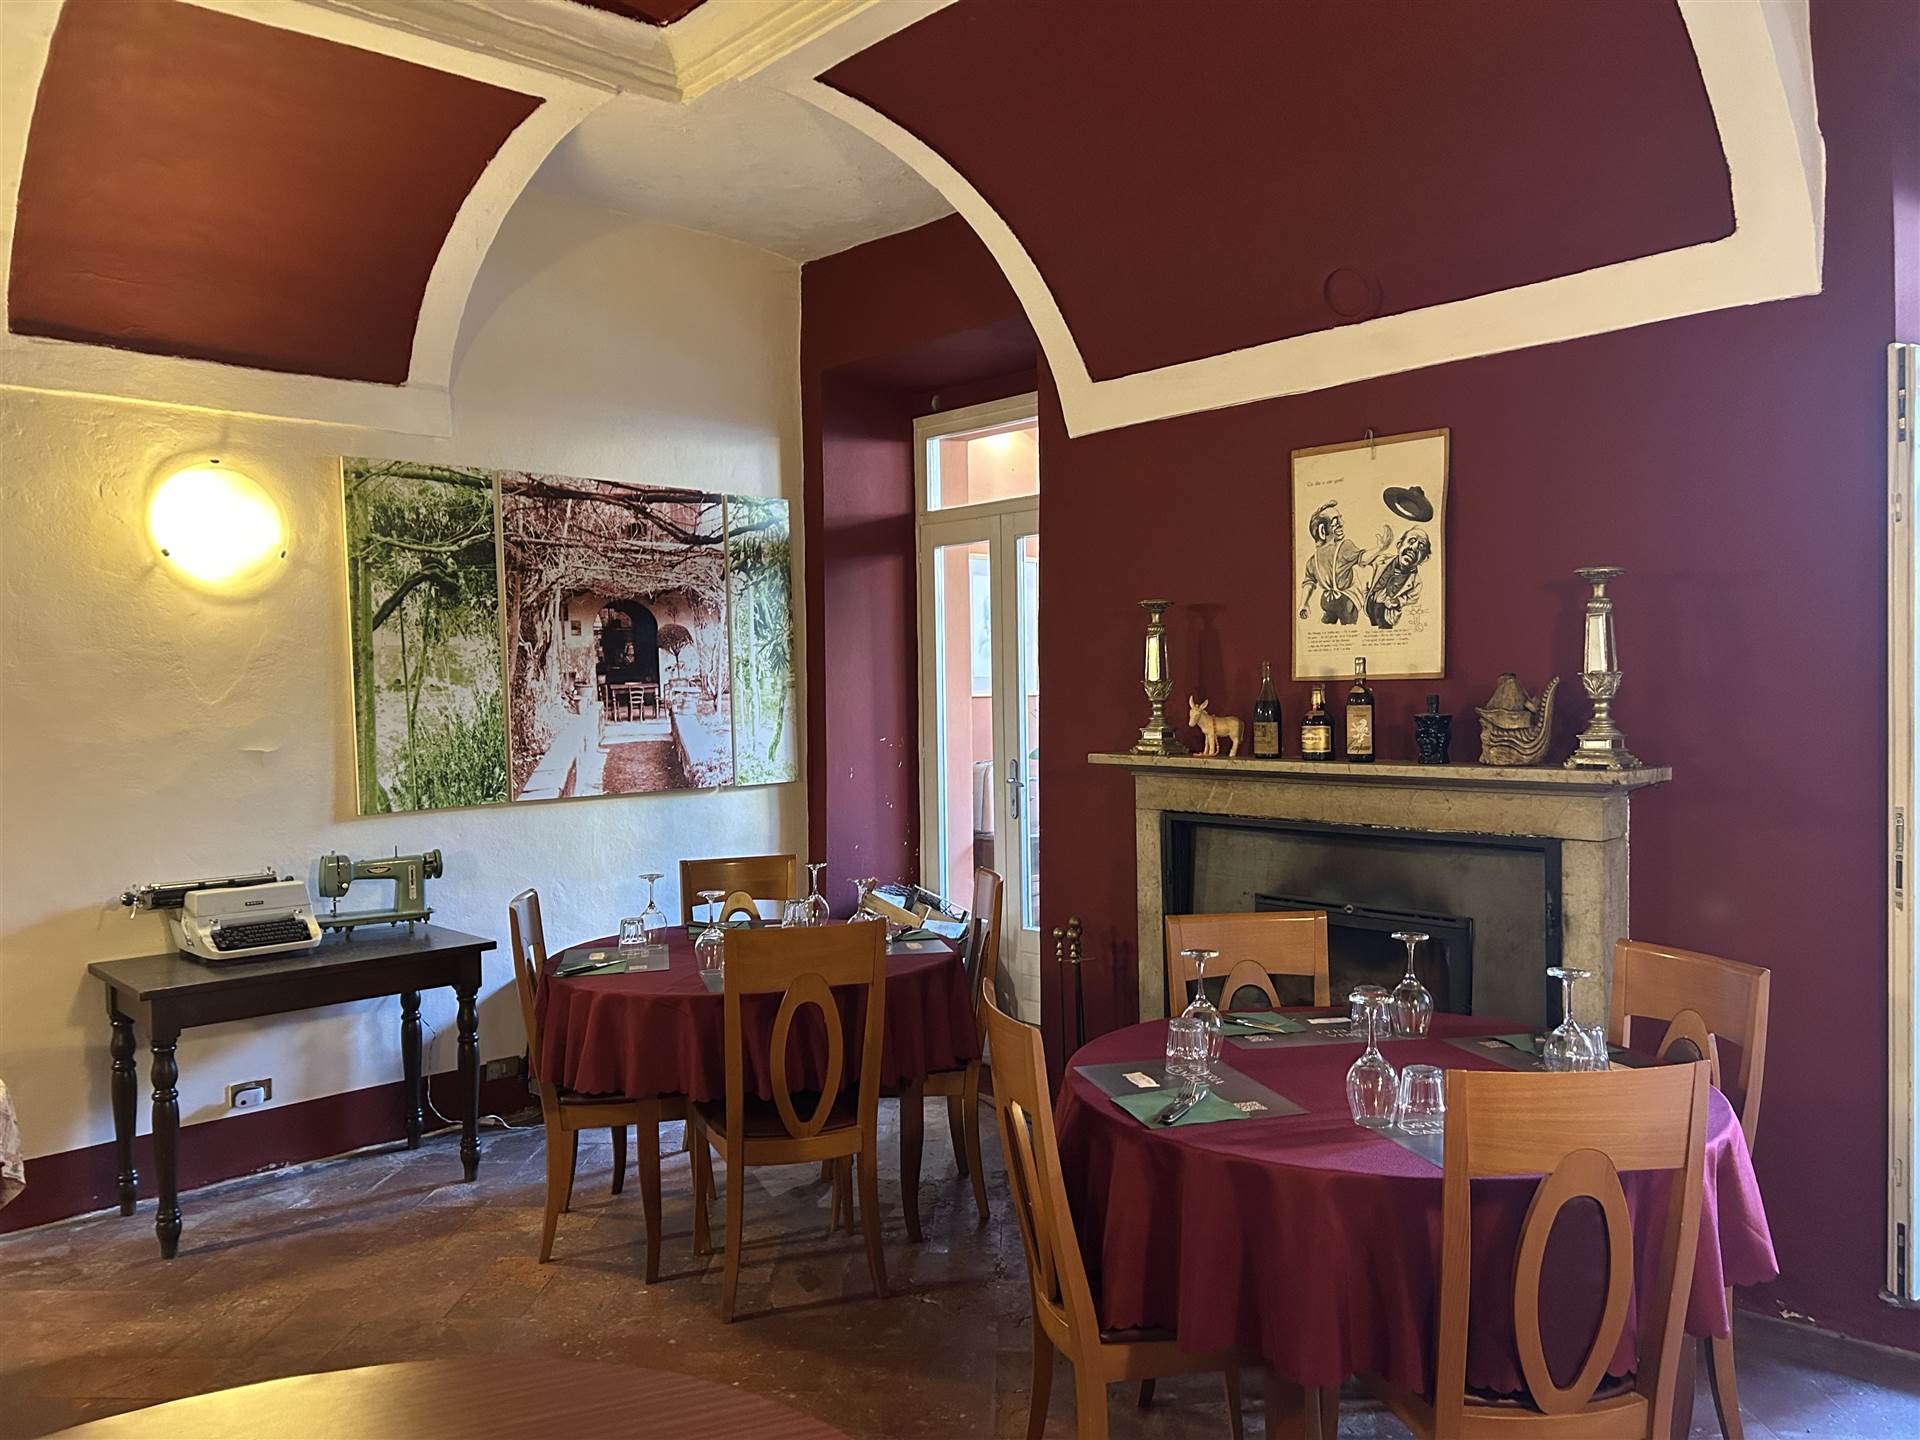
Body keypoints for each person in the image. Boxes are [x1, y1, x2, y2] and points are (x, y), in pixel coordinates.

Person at [1298, 502, 1391, 625]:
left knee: (1328, 626)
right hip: (1346, 602)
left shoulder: (1312, 561)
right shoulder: (1344, 547)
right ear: (1322, 530)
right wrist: (1380, 548)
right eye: (1336, 521)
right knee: (1348, 629)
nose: (1342, 523)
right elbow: (1363, 558)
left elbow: (1309, 583)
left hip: (1326, 601)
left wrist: (1303, 604)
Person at [1364, 527, 1432, 629]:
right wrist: (1380, 548)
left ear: (1424, 559)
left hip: (1387, 615)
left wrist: (1398, 601)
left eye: (1421, 547)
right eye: (1411, 541)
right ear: (1399, 544)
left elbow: (1412, 598)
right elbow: (1363, 562)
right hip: (1370, 606)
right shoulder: (1382, 560)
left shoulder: (1416, 582)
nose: (1414, 548)